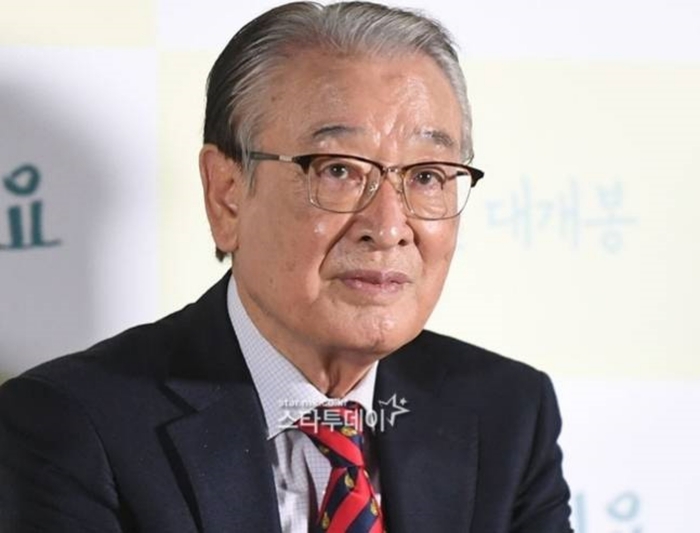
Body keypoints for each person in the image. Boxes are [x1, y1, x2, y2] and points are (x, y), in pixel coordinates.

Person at [0, 2, 572, 532]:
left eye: (426, 176)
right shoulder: (74, 428)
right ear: (227, 194)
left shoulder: (507, 414)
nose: (388, 226)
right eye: (338, 170)